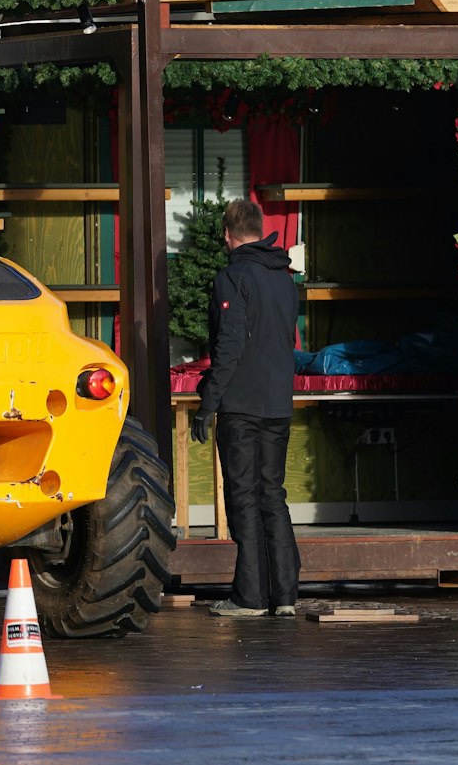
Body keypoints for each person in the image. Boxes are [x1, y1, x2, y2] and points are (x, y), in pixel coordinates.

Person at [192, 199, 301, 618]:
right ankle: (285, 595)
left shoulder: (232, 277)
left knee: (243, 497)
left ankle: (250, 597)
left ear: (228, 235)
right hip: (278, 404)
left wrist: (209, 403)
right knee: (272, 494)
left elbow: (230, 344)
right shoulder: (282, 277)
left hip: (242, 406)